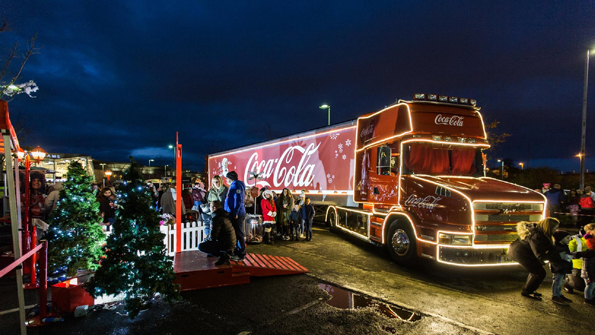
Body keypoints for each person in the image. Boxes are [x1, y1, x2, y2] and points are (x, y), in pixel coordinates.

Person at [506, 218, 563, 301]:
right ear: (549, 227)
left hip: (522, 251)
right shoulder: (537, 236)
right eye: (555, 227)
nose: (556, 230)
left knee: (536, 271)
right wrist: (553, 256)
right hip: (520, 253)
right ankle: (527, 291)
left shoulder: (540, 232)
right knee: (539, 273)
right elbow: (539, 255)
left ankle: (528, 290)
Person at [197, 200, 236, 266]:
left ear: (214, 208)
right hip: (230, 242)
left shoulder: (216, 219)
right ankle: (223, 253)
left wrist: (205, 240)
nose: (209, 208)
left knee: (201, 246)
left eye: (210, 206)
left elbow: (213, 237)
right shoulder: (224, 215)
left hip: (225, 244)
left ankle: (223, 255)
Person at [224, 171, 246, 261]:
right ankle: (237, 251)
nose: (226, 180)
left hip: (236, 213)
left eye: (227, 178)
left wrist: (236, 212)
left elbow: (238, 199)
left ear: (230, 178)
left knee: (238, 233)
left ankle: (241, 254)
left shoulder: (236, 185)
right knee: (236, 233)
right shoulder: (235, 184)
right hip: (234, 212)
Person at [550, 231, 573, 305]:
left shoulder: (564, 246)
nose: (569, 239)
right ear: (560, 239)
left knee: (561, 281)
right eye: (567, 238)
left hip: (563, 266)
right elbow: (553, 257)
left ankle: (559, 294)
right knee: (557, 281)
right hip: (559, 267)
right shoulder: (556, 247)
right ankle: (555, 296)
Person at [565, 229, 588, 294]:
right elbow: (569, 252)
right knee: (580, 286)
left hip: (588, 266)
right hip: (577, 266)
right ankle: (567, 283)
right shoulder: (575, 240)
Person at [581, 223, 595, 306]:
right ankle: (588, 299)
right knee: (590, 285)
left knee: (592, 284)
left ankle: (591, 297)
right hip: (589, 270)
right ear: (590, 232)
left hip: (591, 268)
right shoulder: (590, 242)